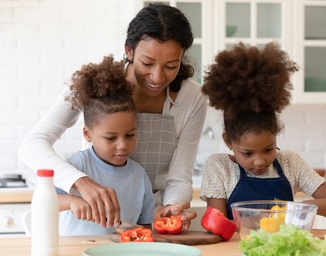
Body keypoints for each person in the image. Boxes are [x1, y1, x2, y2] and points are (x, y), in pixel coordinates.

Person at [18, 3, 206, 230]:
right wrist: (81, 182)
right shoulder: (94, 83)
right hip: (90, 221)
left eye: (171, 66)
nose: (157, 77)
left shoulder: (192, 97)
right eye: (147, 63)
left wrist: (172, 209)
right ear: (129, 50)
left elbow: (179, 176)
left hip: (145, 219)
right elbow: (32, 144)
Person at [199, 42, 326, 220]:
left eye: (268, 149)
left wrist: (300, 208)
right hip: (237, 247)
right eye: (247, 153)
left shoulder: (290, 163)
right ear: (228, 141)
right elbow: (217, 224)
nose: (260, 161)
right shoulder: (219, 168)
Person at [57, 55, 154, 235]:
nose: (122, 145)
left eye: (130, 135)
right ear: (88, 134)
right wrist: (71, 201)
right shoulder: (77, 166)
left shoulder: (140, 176)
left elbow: (146, 224)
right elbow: (44, 201)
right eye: (111, 138)